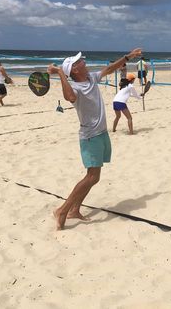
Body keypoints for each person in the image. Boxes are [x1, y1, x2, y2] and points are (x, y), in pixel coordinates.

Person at [48, 47, 143, 230]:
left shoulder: (91, 77)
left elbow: (109, 69)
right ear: (74, 70)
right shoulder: (74, 86)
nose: (83, 61)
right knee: (91, 177)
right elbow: (68, 97)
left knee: (94, 177)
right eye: (79, 62)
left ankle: (75, 209)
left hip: (101, 133)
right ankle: (62, 210)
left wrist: (127, 57)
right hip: (90, 136)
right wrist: (60, 72)